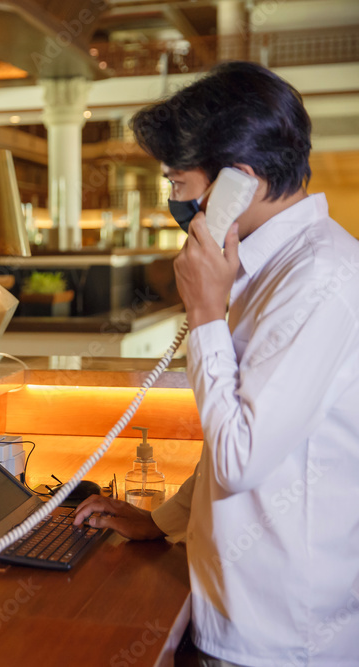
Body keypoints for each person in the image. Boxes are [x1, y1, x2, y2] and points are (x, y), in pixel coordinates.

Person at [73, 62, 359, 666]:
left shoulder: (318, 279)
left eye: (177, 183)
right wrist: (162, 520)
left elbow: (240, 459)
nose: (173, 201)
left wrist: (204, 312)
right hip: (233, 608)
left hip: (277, 637)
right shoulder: (267, 268)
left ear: (240, 184)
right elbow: (234, 436)